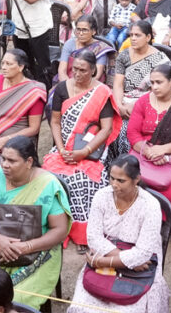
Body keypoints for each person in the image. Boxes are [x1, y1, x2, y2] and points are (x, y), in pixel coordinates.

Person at [0, 135, 72, 310]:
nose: (5, 164)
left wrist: (26, 247)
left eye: (12, 161)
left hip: (36, 251)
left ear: (29, 162)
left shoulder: (48, 185)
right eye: (3, 159)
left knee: (18, 301)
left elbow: (59, 230)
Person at [68, 155, 170, 313]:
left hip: (142, 262)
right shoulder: (101, 196)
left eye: (121, 181)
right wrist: (114, 260)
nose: (114, 185)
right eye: (112, 178)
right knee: (82, 307)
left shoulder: (150, 205)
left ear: (136, 180)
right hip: (108, 252)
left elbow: (143, 253)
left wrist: (103, 262)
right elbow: (93, 237)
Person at [42, 50, 121, 247]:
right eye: (74, 69)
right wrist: (60, 150)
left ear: (93, 70)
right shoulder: (62, 88)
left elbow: (106, 129)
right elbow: (55, 122)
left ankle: (84, 231)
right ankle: (54, 226)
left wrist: (84, 152)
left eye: (82, 70)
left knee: (85, 178)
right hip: (65, 146)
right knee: (48, 175)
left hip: (91, 148)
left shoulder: (101, 92)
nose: (77, 74)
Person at [127, 62, 171, 240]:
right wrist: (150, 152)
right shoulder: (143, 101)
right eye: (152, 83)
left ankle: (162, 224)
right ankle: (134, 220)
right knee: (127, 181)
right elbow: (133, 133)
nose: (154, 87)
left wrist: (163, 150)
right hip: (143, 152)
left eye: (159, 82)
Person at [112, 20, 171, 120]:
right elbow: (118, 84)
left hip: (148, 101)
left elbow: (159, 90)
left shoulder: (160, 60)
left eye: (137, 35)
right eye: (131, 35)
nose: (133, 39)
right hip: (123, 100)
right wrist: (119, 105)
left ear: (148, 37)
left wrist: (135, 105)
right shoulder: (123, 56)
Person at [57, 15, 113, 82]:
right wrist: (68, 87)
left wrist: (81, 88)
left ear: (93, 31)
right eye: (78, 29)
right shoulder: (70, 44)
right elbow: (62, 71)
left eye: (84, 30)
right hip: (68, 82)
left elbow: (97, 76)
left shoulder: (100, 48)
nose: (80, 33)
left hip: (90, 84)